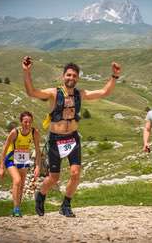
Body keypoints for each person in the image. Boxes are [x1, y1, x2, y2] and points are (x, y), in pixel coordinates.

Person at [22, 56, 121, 217]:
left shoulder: (79, 94)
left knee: (75, 173)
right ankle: (40, 195)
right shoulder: (53, 93)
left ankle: (66, 205)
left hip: (73, 138)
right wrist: (26, 72)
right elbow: (31, 92)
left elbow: (104, 92)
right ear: (63, 76)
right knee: (54, 177)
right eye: (68, 75)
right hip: (56, 139)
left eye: (74, 76)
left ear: (77, 78)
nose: (71, 78)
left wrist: (114, 76)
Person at [0, 111, 42, 217]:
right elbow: (4, 148)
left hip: (23, 158)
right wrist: (1, 167)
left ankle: (17, 208)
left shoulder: (34, 132)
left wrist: (38, 166)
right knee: (17, 180)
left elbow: (37, 149)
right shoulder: (14, 132)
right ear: (21, 122)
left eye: (30, 122)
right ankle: (16, 209)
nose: (27, 124)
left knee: (22, 185)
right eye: (25, 122)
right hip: (11, 158)